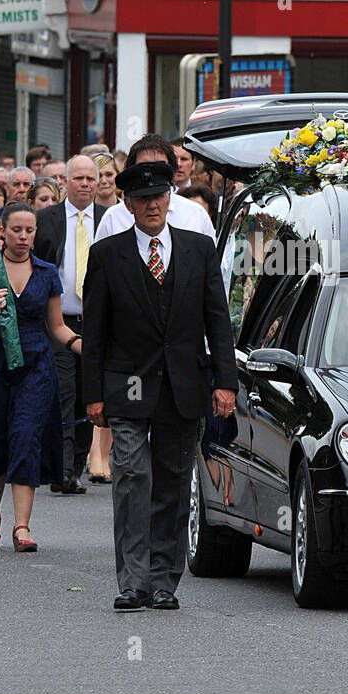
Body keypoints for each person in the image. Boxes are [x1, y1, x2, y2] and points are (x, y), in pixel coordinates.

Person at [83, 160, 237, 612]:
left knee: (172, 480)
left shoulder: (197, 249)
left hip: (183, 382)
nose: (152, 205)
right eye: (143, 199)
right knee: (132, 476)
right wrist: (94, 393)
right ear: (128, 204)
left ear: (170, 200)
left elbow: (217, 321)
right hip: (127, 383)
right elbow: (95, 330)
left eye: (159, 197)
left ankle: (165, 579)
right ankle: (132, 581)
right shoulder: (108, 255)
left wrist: (224, 382)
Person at [0, 203, 81, 550]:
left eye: (30, 231)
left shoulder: (47, 271)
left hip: (36, 363)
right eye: (17, 230)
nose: (24, 237)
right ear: (3, 232)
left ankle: (22, 527)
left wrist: (79, 344)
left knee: (26, 436)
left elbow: (57, 325)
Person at [33, 155, 106, 494]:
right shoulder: (45, 220)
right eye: (79, 178)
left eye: (91, 178)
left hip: (98, 321)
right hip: (58, 320)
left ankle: (76, 466)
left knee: (87, 395)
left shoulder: (110, 220)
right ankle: (60, 468)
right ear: (64, 182)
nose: (86, 184)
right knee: (63, 392)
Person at [94, 136, 216, 242]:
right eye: (145, 166)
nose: (153, 173)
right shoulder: (113, 218)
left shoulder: (195, 214)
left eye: (160, 166)